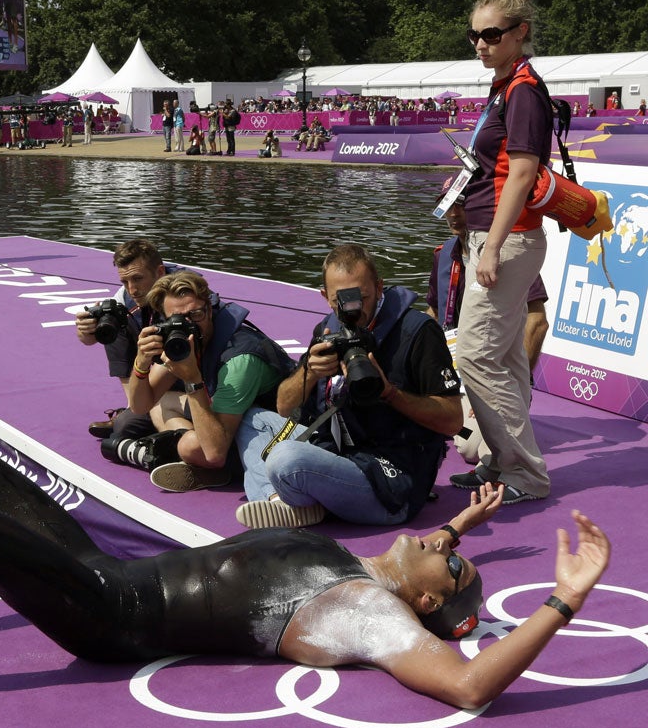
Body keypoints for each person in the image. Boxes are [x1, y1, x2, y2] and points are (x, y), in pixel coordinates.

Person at [0, 446, 612, 720]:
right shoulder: (374, 564)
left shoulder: (365, 610)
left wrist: (564, 600)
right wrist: (462, 530)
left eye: (449, 561)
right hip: (112, 572)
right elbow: (435, 558)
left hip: (114, 617)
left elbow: (466, 679)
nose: (441, 541)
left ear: (417, 600)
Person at [235, 244, 462, 529]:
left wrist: (389, 393)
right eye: (340, 300)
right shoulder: (329, 329)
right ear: (325, 297)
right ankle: (277, 502)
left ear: (380, 287)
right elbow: (284, 407)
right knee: (252, 420)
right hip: (337, 451)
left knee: (284, 458)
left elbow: (453, 421)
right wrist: (310, 371)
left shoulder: (417, 331)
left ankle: (294, 501)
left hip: (390, 480)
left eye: (362, 297)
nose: (353, 309)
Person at [453, 0, 554, 504]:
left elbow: (521, 173)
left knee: (474, 356)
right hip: (496, 234)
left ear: (520, 32)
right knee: (507, 356)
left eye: (493, 34)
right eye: (475, 35)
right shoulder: (507, 87)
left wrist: (490, 245)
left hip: (507, 239)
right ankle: (501, 462)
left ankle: (525, 473)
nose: (481, 44)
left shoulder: (523, 91)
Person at [104, 271, 294, 492]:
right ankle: (208, 463)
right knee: (160, 404)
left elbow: (213, 453)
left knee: (191, 447)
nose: (190, 325)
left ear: (210, 309)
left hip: (271, 429)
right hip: (231, 415)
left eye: (196, 314)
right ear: (165, 320)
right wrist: (141, 362)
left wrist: (192, 378)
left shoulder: (240, 359)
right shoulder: (179, 339)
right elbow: (140, 405)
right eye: (178, 319)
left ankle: (218, 465)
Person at [425, 179, 548, 473]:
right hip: (455, 373)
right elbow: (432, 313)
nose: (454, 214)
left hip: (494, 374)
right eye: (449, 205)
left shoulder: (505, 253)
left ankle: (510, 466)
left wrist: (517, 388)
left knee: (469, 445)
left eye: (462, 204)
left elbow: (537, 322)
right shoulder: (443, 255)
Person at [75, 239, 175, 440]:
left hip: (187, 370)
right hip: (157, 371)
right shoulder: (126, 295)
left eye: (138, 279)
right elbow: (88, 341)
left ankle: (140, 410)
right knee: (112, 320)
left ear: (160, 272)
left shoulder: (181, 297)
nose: (132, 289)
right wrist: (86, 331)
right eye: (125, 282)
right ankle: (135, 406)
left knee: (125, 428)